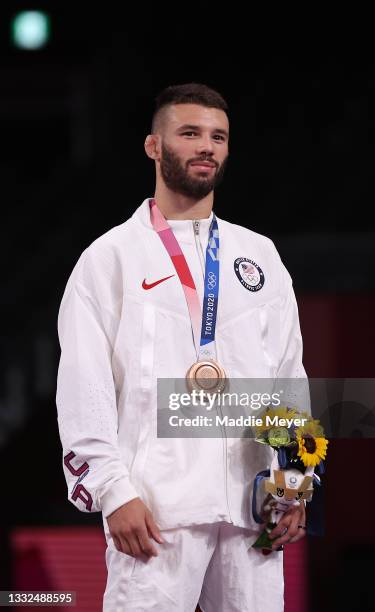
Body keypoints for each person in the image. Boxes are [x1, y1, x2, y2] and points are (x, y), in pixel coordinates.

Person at [56, 83, 309, 612]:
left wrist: (294, 484)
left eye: (218, 137)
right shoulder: (111, 257)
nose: (206, 146)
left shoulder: (258, 255)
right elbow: (85, 383)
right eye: (190, 133)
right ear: (154, 146)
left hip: (251, 508)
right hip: (155, 508)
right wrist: (112, 490)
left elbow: (287, 376)